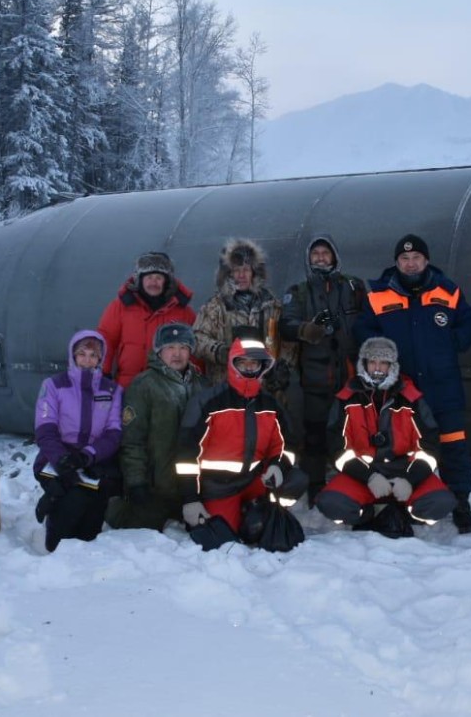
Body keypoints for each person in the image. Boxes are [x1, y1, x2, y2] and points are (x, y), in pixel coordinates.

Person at [354, 234, 471, 533]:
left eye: (416, 258)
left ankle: (461, 503)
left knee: (453, 444)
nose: (410, 264)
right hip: (402, 390)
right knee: (407, 446)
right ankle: (405, 500)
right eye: (404, 259)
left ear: (426, 261)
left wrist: (452, 342)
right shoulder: (378, 294)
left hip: (443, 385)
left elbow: (470, 322)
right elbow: (362, 330)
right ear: (396, 262)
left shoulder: (447, 290)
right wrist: (382, 356)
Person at [175, 327, 306, 550]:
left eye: (254, 364)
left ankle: (260, 509)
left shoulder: (270, 404)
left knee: (296, 480)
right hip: (218, 486)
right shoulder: (208, 402)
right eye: (243, 362)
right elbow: (187, 456)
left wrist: (278, 466)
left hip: (255, 482)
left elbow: (288, 443)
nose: (248, 368)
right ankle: (236, 513)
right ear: (232, 363)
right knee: (224, 540)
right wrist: (190, 499)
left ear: (263, 367)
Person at [316, 337, 457, 536]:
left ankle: (406, 513)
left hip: (405, 472)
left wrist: (410, 479)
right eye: (372, 362)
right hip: (363, 474)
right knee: (330, 504)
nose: (377, 368)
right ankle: (369, 514)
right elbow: (338, 451)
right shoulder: (345, 400)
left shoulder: (412, 398)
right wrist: (370, 476)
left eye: (383, 363)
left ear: (392, 366)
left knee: (441, 503)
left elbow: (430, 448)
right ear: (363, 364)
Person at [278, 234, 364, 501]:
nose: (320, 258)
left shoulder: (353, 286)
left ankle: (353, 482)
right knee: (314, 433)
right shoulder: (299, 292)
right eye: (315, 254)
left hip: (350, 376)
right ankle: (315, 487)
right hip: (316, 377)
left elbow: (369, 320)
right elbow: (285, 326)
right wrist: (310, 328)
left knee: (351, 433)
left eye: (325, 253)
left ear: (335, 257)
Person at [32, 329, 124, 552]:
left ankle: (59, 504)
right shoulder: (54, 385)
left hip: (92, 459)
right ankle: (54, 538)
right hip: (57, 458)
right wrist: (62, 458)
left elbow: (113, 432)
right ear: (73, 356)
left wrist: (88, 455)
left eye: (93, 355)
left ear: (101, 358)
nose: (87, 360)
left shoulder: (112, 390)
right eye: (82, 354)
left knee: (92, 509)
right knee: (75, 499)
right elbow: (45, 429)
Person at [109, 322, 206, 531]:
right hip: (155, 487)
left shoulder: (201, 384)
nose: (177, 354)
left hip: (190, 488)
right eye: (170, 347)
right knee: (140, 529)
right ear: (159, 351)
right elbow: (132, 440)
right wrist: (136, 483)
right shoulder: (144, 385)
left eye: (183, 347)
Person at [193, 237, 296, 393]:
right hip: (225, 389)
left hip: (264, 390)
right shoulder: (215, 306)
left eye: (246, 269)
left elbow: (288, 342)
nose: (241, 275)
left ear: (254, 273)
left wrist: (283, 366)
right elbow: (197, 339)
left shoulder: (271, 305)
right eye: (236, 270)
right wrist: (220, 351)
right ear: (228, 274)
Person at [97, 251, 196, 388]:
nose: (153, 282)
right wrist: (102, 374)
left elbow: (195, 350)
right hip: (128, 387)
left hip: (168, 390)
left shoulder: (184, 312)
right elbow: (105, 340)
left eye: (158, 278)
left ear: (167, 281)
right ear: (139, 280)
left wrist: (194, 380)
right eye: (149, 277)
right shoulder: (120, 307)